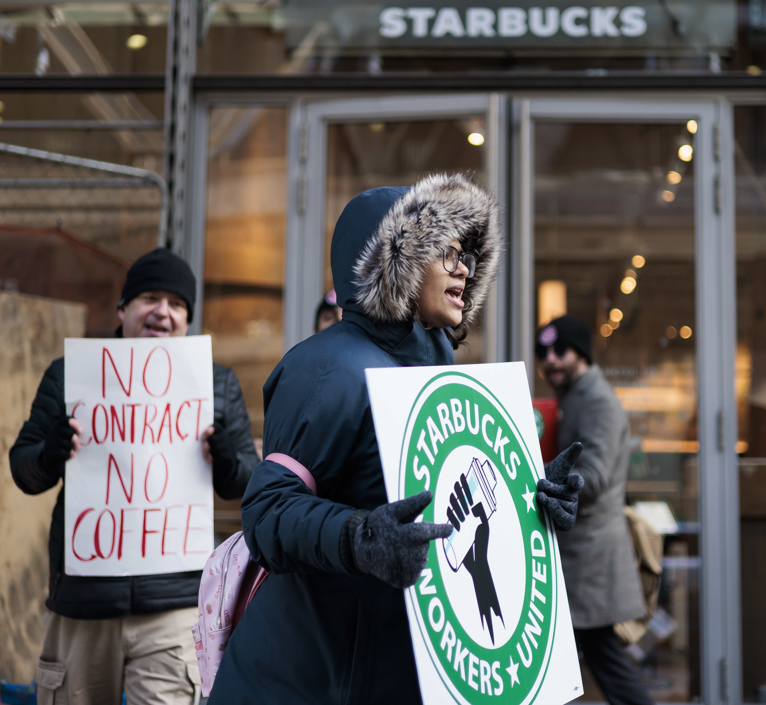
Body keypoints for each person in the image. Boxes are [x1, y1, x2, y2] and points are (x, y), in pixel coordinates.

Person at [208, 173, 584, 704]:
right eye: (444, 252)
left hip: (398, 672)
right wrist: (360, 536)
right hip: (309, 679)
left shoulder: (437, 361)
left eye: (465, 254)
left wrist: (531, 501)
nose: (463, 267)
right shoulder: (325, 368)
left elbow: (443, 497)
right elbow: (267, 512)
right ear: (395, 264)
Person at [9, 247, 260, 705]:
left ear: (187, 320)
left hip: (173, 610)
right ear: (123, 309)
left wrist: (227, 459)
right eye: (150, 298)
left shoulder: (215, 384)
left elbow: (245, 483)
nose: (163, 312)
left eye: (177, 303)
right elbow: (24, 471)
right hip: (83, 606)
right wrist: (50, 453)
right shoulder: (70, 377)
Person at [535, 315, 653, 705]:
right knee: (590, 658)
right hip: (581, 557)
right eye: (543, 353)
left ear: (580, 353)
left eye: (560, 351)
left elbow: (595, 475)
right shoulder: (576, 396)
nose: (550, 360)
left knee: (603, 659)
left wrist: (555, 483)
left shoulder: (598, 401)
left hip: (590, 559)